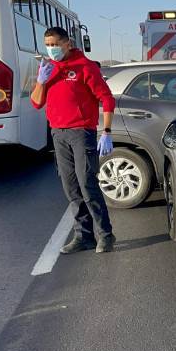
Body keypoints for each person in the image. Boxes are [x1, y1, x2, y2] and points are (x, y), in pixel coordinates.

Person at [31, 27, 116, 254]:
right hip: (58, 133)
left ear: (67, 44)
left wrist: (107, 131)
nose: (51, 49)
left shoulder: (85, 67)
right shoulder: (48, 68)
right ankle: (84, 236)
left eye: (55, 44)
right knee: (71, 188)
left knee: (87, 184)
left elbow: (106, 98)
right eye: (47, 45)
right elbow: (36, 103)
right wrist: (41, 81)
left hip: (81, 133)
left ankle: (106, 235)